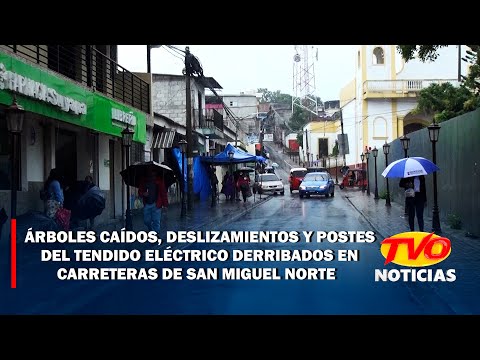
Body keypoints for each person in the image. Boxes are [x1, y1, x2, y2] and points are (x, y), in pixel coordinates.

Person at [138, 167, 168, 236]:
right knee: (146, 221)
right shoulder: (144, 181)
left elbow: (163, 193)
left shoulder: (159, 181)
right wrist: (143, 194)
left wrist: (165, 205)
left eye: (153, 173)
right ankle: (151, 230)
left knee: (156, 221)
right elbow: (140, 192)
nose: (152, 175)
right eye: (150, 173)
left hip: (157, 204)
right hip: (147, 204)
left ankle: (155, 234)